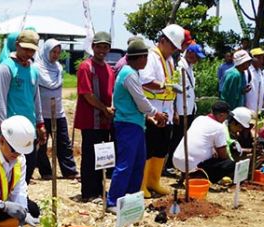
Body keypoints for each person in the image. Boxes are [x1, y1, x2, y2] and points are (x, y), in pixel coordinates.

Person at [107, 39, 166, 211]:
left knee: (138, 163)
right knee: (125, 164)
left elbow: (136, 102)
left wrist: (149, 117)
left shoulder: (132, 72)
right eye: (145, 57)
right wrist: (156, 113)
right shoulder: (129, 74)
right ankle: (113, 201)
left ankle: (131, 199)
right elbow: (141, 101)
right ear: (138, 58)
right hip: (127, 125)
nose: (147, 61)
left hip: (136, 124)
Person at [0, 29, 47, 183]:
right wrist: (3, 128)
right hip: (12, 130)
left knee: (27, 169)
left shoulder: (33, 70)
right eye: (25, 48)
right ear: (17, 45)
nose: (28, 53)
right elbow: (0, 100)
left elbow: (36, 99)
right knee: (10, 173)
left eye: (32, 50)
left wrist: (40, 123)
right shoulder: (6, 68)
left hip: (29, 129)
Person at [140, 23, 185, 197]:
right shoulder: (152, 57)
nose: (173, 50)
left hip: (166, 109)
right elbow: (145, 80)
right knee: (149, 148)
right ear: (162, 40)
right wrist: (165, 85)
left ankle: (154, 181)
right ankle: (142, 184)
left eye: (176, 47)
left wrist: (173, 110)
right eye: (172, 45)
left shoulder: (169, 60)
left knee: (161, 148)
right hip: (152, 109)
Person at [74, 31, 116, 201]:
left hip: (105, 121)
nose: (102, 50)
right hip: (90, 120)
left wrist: (110, 109)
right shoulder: (86, 67)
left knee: (102, 155)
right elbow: (87, 94)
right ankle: (88, 192)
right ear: (93, 47)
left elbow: (110, 92)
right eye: (99, 46)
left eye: (105, 47)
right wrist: (104, 109)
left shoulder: (109, 69)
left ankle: (99, 189)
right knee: (90, 156)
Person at [173, 103, 252, 183]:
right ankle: (198, 176)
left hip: (177, 160)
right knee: (230, 164)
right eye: (226, 116)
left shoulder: (199, 118)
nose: (226, 119)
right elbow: (223, 155)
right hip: (192, 165)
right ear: (221, 115)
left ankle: (185, 174)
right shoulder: (219, 127)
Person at [35, 38, 79, 179]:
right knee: (42, 144)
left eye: (58, 52)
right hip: (43, 112)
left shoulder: (58, 68)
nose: (55, 55)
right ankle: (46, 171)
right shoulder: (36, 68)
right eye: (53, 51)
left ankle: (69, 171)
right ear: (46, 51)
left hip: (59, 112)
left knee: (63, 142)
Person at [166, 43, 204, 175]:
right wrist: (175, 111)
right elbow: (174, 90)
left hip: (189, 108)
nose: (197, 60)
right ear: (189, 53)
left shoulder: (190, 67)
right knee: (176, 138)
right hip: (180, 110)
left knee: (183, 138)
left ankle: (177, 163)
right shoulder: (179, 67)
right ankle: (169, 164)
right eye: (195, 56)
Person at [245, 48, 264, 113]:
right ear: (252, 58)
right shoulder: (247, 72)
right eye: (259, 58)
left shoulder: (261, 73)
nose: (261, 61)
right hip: (248, 110)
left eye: (262, 58)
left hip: (258, 111)